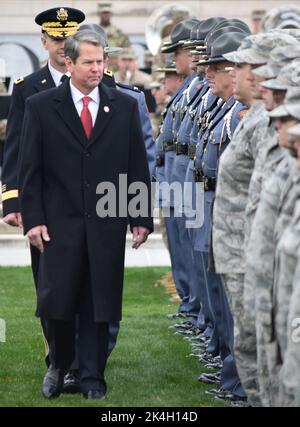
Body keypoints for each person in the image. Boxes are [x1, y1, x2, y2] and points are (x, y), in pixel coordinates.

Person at [18, 30, 153, 400]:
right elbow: (29, 169)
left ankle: (93, 377)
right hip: (58, 223)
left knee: (99, 302)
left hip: (106, 222)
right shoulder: (42, 106)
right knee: (58, 302)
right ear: (70, 63)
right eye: (90, 62)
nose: (97, 69)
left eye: (101, 61)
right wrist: (34, 219)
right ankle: (59, 366)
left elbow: (136, 165)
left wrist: (139, 217)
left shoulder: (122, 105)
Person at [1, 5, 85, 387]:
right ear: (44, 41)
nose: (63, 46)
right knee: (50, 286)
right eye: (57, 39)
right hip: (47, 206)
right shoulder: (27, 87)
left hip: (89, 204)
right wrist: (13, 200)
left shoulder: (99, 80)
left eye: (69, 38)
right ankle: (57, 358)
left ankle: (85, 361)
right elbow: (16, 148)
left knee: (90, 286)